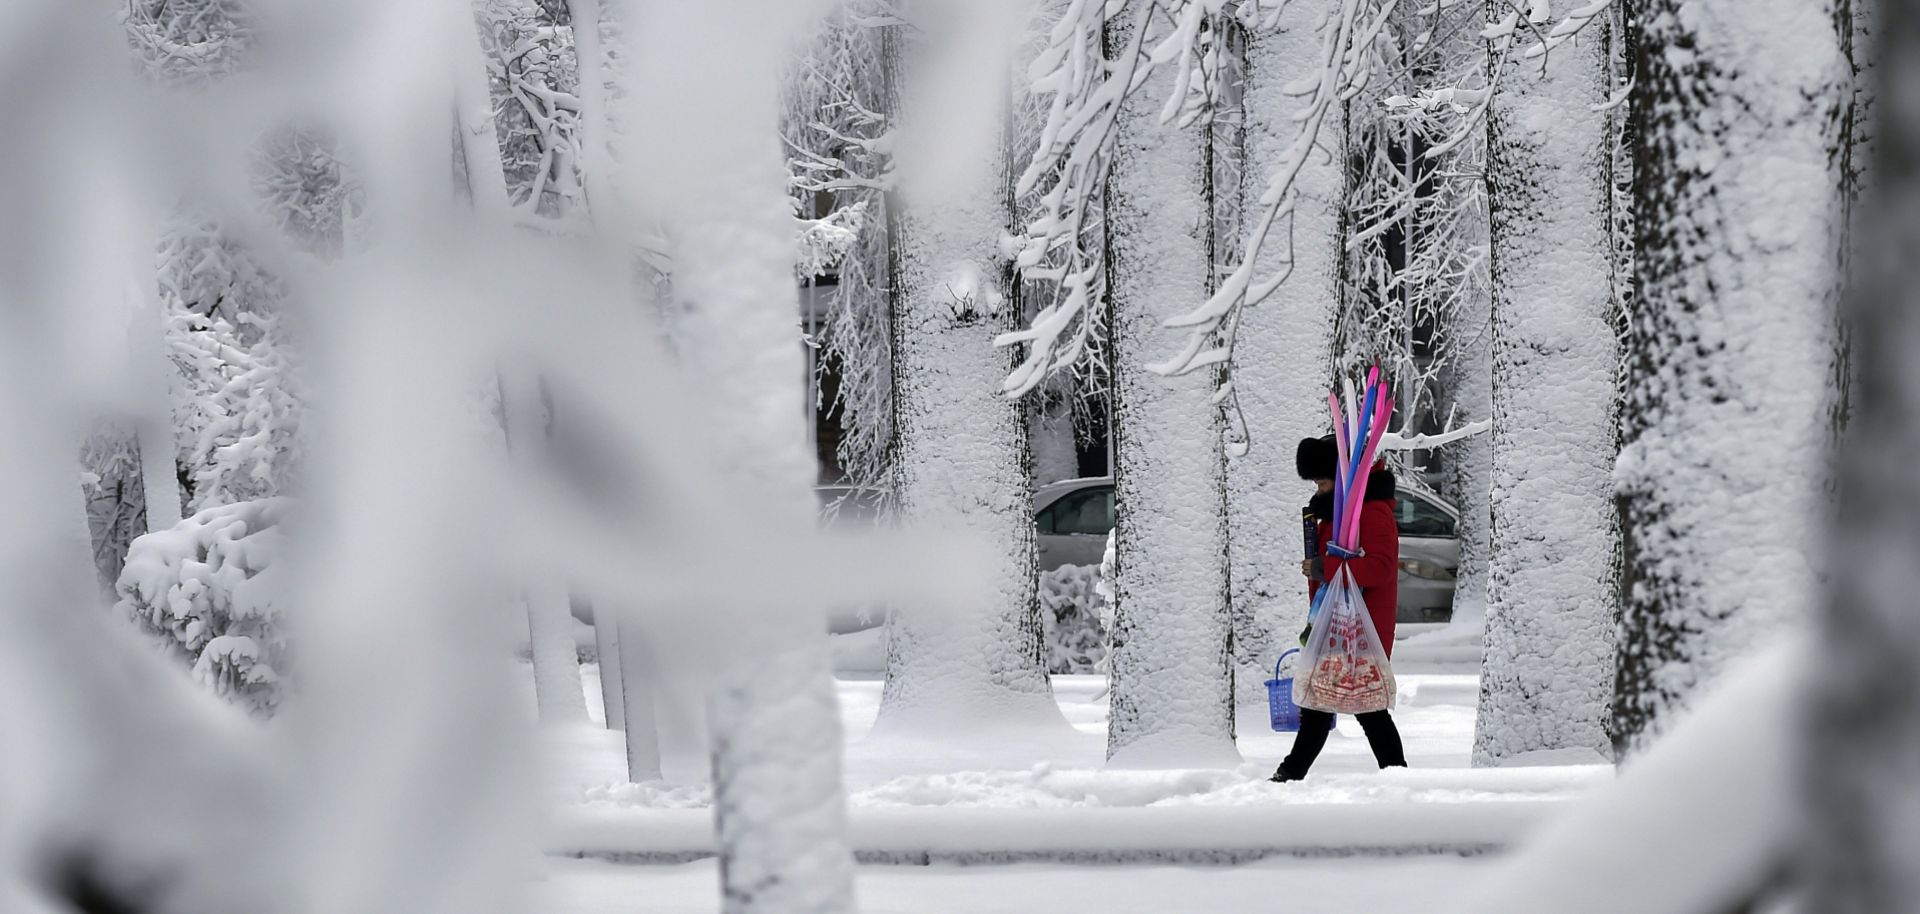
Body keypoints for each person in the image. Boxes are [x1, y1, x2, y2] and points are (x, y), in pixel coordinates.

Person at [1270, 435, 1407, 783]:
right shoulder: (1339, 510)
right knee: (1321, 706)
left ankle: (1397, 779)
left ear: (1342, 478)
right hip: (1336, 626)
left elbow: (1379, 567)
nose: (1318, 488)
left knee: (1367, 709)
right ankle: (1290, 775)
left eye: (1322, 480)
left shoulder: (1372, 511)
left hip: (1361, 630)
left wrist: (1323, 569)